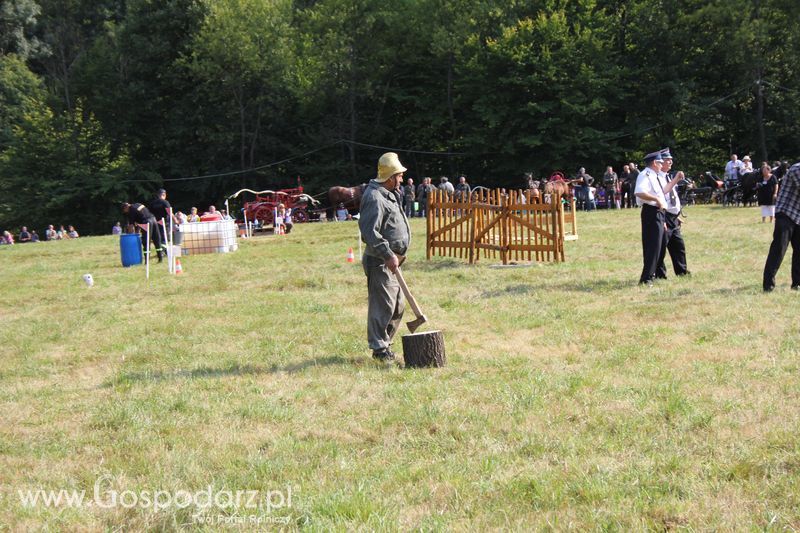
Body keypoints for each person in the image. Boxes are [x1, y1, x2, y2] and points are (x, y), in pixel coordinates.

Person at [358, 152, 410, 362]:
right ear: (389, 177)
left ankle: (385, 343)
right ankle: (380, 349)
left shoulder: (388, 192)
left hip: (392, 261)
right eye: (398, 175)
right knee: (384, 304)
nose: (401, 179)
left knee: (398, 304)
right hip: (380, 260)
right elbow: (369, 232)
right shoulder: (374, 197)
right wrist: (387, 254)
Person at [762, 161, 800, 292]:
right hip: (785, 213)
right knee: (779, 249)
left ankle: (797, 284)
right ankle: (768, 285)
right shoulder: (797, 169)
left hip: (798, 215)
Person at [634, 151, 669, 285]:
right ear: (654, 163)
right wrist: (656, 200)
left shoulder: (655, 176)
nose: (662, 165)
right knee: (652, 246)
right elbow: (639, 192)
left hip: (659, 213)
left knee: (661, 245)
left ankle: (657, 273)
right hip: (651, 212)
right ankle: (646, 278)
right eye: (660, 162)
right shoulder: (645, 175)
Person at [655, 148, 690, 279]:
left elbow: (672, 197)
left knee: (678, 246)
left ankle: (682, 272)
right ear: (659, 162)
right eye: (667, 160)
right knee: (661, 247)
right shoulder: (657, 177)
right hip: (664, 215)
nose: (670, 162)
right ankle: (659, 274)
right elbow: (663, 194)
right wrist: (676, 179)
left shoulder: (667, 176)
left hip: (673, 217)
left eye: (671, 160)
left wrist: (677, 215)